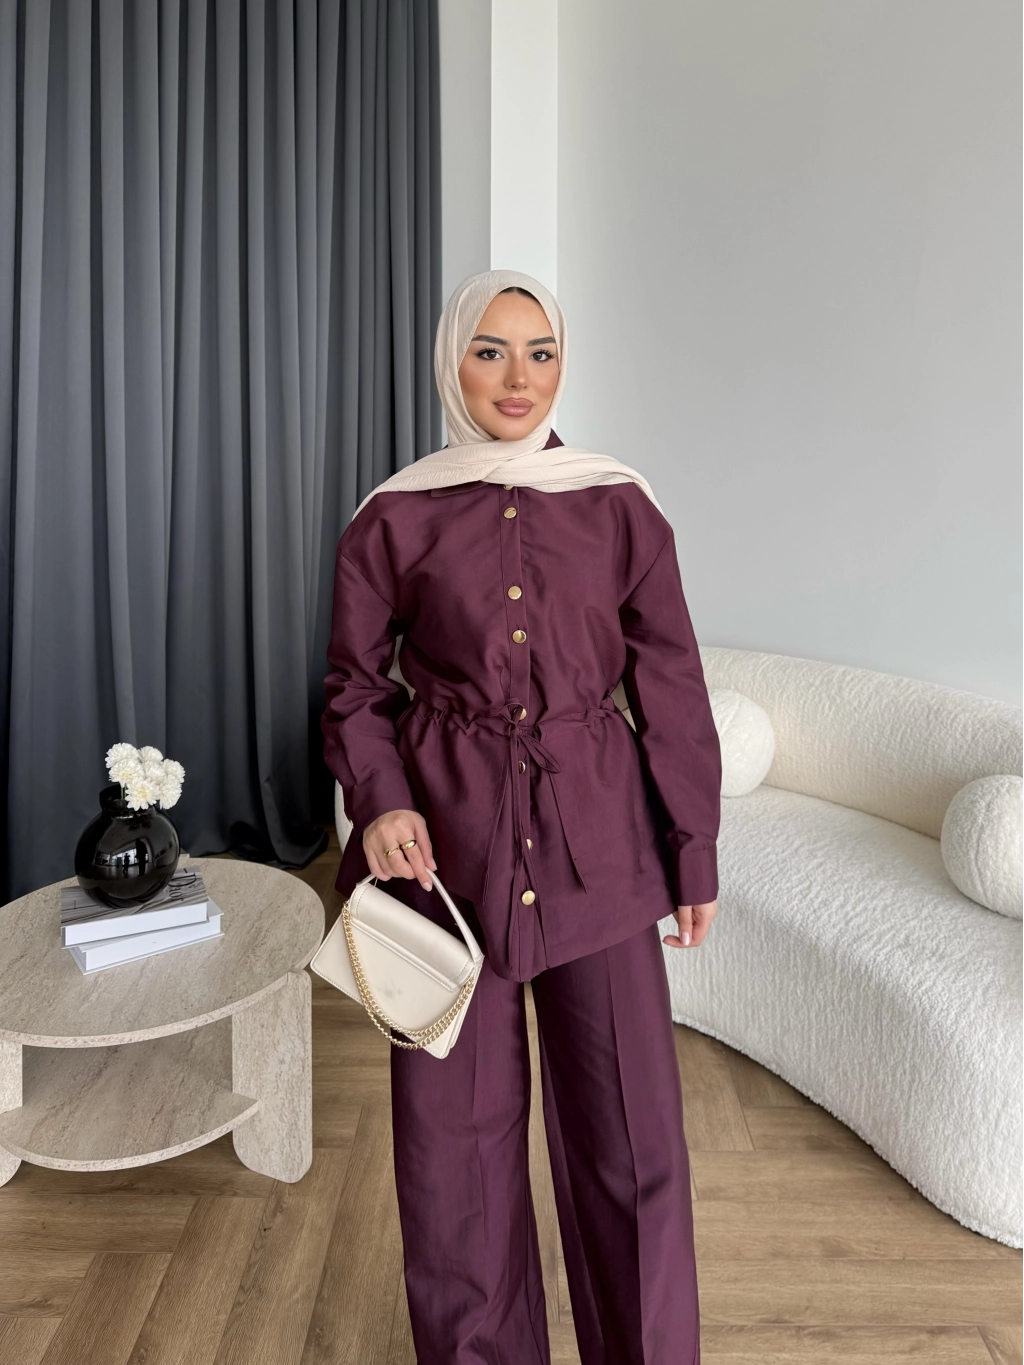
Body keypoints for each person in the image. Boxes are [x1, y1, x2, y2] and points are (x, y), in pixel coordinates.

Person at [321, 269, 721, 1365]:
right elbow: (353, 687)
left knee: (633, 1149)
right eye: (490, 350)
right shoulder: (392, 516)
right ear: (451, 362)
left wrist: (693, 852)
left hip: (603, 859)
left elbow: (671, 682)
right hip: (443, 865)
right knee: (453, 1162)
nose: (517, 377)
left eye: (539, 352)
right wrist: (380, 803)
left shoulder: (618, 504)